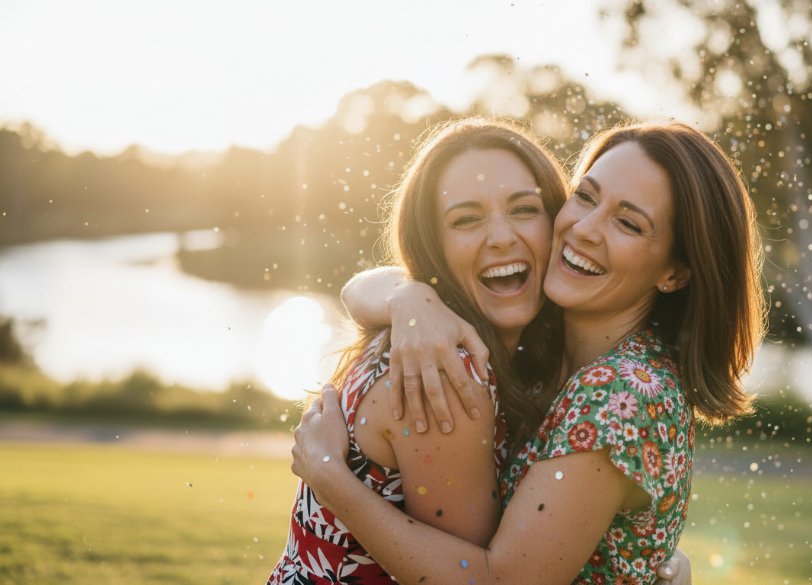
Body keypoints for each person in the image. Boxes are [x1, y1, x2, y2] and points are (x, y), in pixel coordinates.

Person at [292, 121, 765, 583]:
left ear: (675, 272)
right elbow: (362, 287)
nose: (584, 229)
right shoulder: (532, 349)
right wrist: (409, 298)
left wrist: (333, 482)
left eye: (627, 223)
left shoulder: (620, 392)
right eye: (585, 196)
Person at [267, 117, 568, 583]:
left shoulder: (431, 326)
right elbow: (476, 580)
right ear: (433, 243)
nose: (502, 237)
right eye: (467, 219)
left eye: (525, 209)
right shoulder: (444, 369)